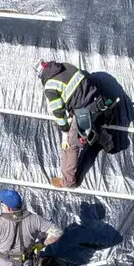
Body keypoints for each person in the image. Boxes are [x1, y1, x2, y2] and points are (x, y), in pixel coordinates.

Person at [37, 60, 105, 189]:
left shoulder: (50, 86)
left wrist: (65, 131)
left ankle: (68, 182)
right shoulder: (66, 66)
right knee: (74, 139)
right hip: (97, 101)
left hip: (83, 111)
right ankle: (66, 175)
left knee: (71, 144)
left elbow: (58, 112)